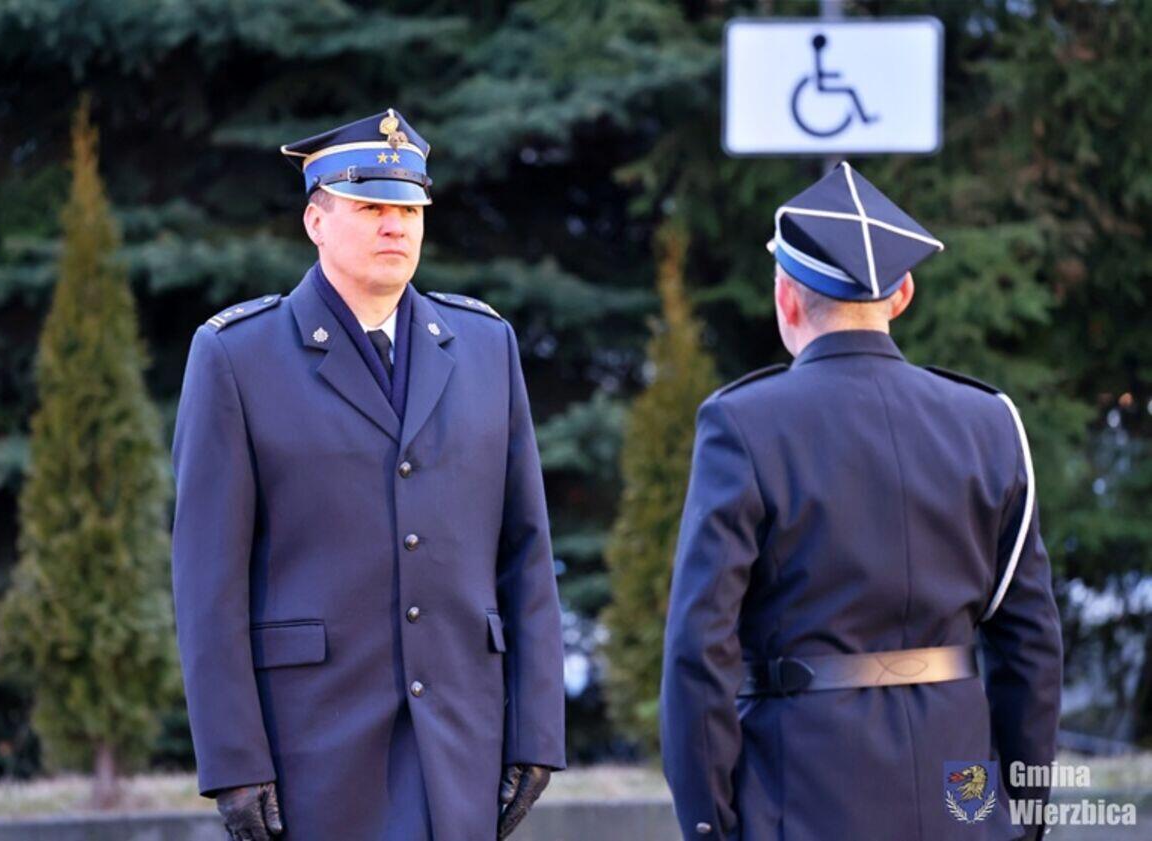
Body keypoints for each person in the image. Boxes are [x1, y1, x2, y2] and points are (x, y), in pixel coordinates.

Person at [170, 108, 566, 841]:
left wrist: (537, 733)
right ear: (315, 221)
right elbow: (207, 582)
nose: (395, 226)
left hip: (462, 744)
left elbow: (526, 553)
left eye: (409, 209)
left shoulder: (485, 345)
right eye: (370, 207)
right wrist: (233, 760)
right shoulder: (237, 356)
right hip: (312, 749)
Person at [660, 162, 1063, 841]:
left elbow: (700, 649)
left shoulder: (744, 424)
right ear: (902, 294)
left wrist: (710, 825)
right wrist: (1022, 816)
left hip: (801, 800)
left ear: (786, 299)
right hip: (962, 805)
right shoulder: (990, 423)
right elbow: (1031, 644)